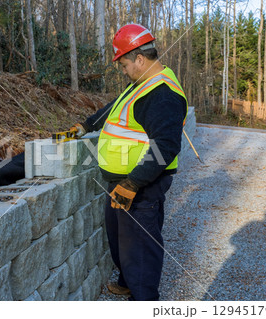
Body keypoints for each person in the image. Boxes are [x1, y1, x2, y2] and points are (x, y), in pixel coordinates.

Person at [70, 24, 188, 301]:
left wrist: (134, 182)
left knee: (141, 245)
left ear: (139, 58)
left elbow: (166, 146)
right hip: (122, 183)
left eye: (123, 64)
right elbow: (115, 107)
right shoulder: (140, 85)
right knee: (121, 240)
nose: (122, 70)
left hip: (142, 185)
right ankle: (127, 281)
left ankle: (143, 299)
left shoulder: (163, 94)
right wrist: (87, 125)